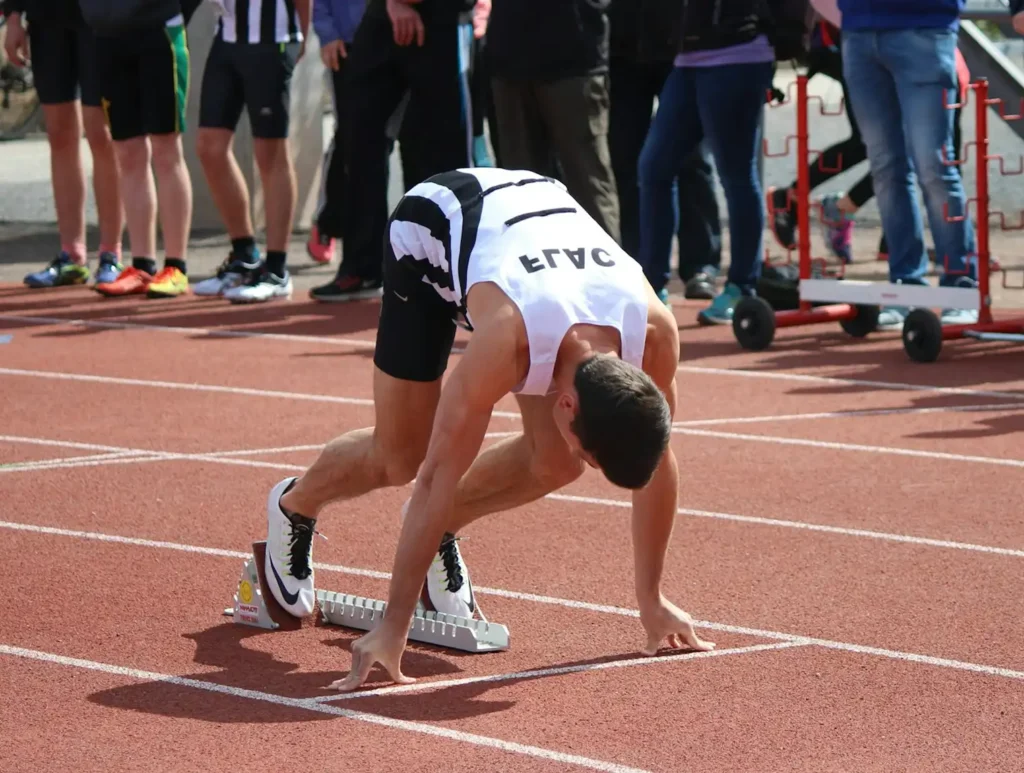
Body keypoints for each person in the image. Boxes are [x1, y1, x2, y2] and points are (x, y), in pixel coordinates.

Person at [258, 167, 714, 692]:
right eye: (598, 460)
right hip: (433, 228)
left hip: (533, 229)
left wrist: (651, 600)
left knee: (557, 461)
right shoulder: (508, 342)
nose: (592, 468)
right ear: (565, 404)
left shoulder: (655, 334)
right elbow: (433, 477)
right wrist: (393, 627)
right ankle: (295, 505)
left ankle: (438, 532)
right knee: (402, 456)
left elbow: (658, 461)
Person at [836, 0, 978, 329]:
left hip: (925, 26)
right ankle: (905, 287)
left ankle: (960, 289)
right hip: (859, 29)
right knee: (886, 168)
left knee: (934, 166)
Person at [637, 0, 775, 326]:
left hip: (739, 53)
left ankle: (742, 285)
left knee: (736, 175)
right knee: (654, 168)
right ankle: (653, 287)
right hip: (688, 58)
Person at [192, 0, 310, 304]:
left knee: (270, 153)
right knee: (209, 147)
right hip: (227, 37)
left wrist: (303, 36)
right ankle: (244, 256)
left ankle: (277, 270)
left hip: (274, 40)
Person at [5, 0, 125, 289]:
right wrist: (13, 15)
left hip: (100, 16)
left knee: (101, 134)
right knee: (59, 133)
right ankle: (72, 254)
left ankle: (111, 253)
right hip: (47, 17)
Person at [87, 0, 200, 299]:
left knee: (166, 148)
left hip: (159, 31)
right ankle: (141, 265)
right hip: (108, 36)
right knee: (127, 152)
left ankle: (176, 267)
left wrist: (167, 11)